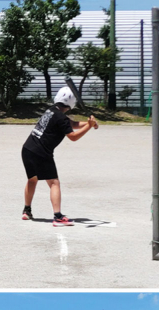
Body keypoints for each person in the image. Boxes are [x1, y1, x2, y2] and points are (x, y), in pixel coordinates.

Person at [21, 86, 99, 226]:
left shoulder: (51, 111)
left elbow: (72, 124)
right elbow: (73, 137)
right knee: (54, 183)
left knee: (32, 180)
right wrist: (88, 127)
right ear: (71, 104)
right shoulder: (61, 118)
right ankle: (58, 217)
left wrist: (89, 124)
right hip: (41, 152)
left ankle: (26, 211)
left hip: (28, 149)